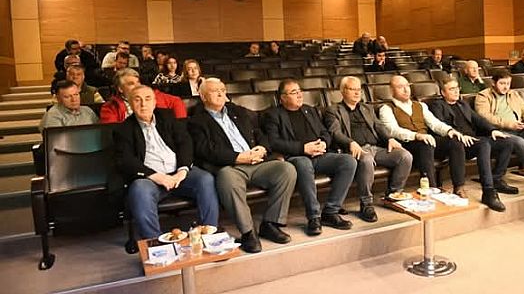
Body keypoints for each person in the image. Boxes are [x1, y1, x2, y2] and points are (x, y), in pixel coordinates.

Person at [188, 78, 297, 253]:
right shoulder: (196, 121)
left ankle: (271, 223)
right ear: (203, 96)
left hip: (256, 161)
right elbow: (205, 150)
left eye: (222, 89)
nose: (220, 93)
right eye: (215, 91)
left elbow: (258, 133)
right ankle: (248, 233)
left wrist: (262, 148)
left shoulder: (238, 111)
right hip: (231, 166)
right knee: (228, 177)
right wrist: (238, 157)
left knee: (287, 169)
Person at [114, 84, 218, 239]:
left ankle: (209, 234)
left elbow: (185, 142)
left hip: (178, 174)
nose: (143, 104)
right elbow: (126, 160)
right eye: (137, 100)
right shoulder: (123, 129)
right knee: (139, 190)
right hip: (151, 179)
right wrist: (157, 176)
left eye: (147, 99)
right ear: (130, 103)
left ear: (154, 102)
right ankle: (154, 242)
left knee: (205, 179)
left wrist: (182, 170)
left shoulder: (167, 116)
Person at [262, 78, 357, 236]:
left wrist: (323, 143)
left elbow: (325, 132)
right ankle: (314, 216)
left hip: (319, 155)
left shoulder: (309, 110)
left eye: (300, 91)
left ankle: (331, 211)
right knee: (304, 163)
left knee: (348, 161)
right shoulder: (273, 115)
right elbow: (274, 142)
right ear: (283, 97)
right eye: (294, 92)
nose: (300, 95)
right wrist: (303, 148)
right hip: (295, 157)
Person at [324, 76, 413, 223]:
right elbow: (335, 133)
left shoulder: (367, 108)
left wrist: (389, 139)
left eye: (359, 89)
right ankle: (366, 204)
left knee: (405, 156)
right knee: (366, 160)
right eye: (352, 89)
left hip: (375, 148)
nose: (357, 93)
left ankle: (393, 195)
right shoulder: (333, 110)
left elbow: (379, 127)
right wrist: (350, 142)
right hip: (354, 150)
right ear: (343, 91)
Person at [429, 77, 514, 212]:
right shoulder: (437, 106)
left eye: (457, 88)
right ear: (443, 92)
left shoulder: (462, 104)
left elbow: (478, 120)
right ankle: (488, 191)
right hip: (455, 142)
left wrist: (492, 130)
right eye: (451, 89)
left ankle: (496, 179)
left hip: (472, 141)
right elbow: (440, 126)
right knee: (484, 144)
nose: (456, 91)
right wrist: (460, 135)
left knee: (507, 142)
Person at [378, 76, 472, 191]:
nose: (406, 90)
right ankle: (432, 189)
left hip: (426, 141)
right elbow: (392, 130)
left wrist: (449, 130)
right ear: (391, 90)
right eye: (400, 87)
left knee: (455, 141)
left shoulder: (420, 105)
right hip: (406, 144)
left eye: (407, 86)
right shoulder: (386, 108)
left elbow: (434, 123)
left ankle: (459, 187)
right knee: (425, 144)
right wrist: (416, 135)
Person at [100, 68, 186, 123]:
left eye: (138, 82)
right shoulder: (110, 107)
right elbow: (113, 133)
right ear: (120, 89)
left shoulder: (153, 95)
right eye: (131, 84)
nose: (137, 86)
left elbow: (177, 101)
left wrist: (179, 126)